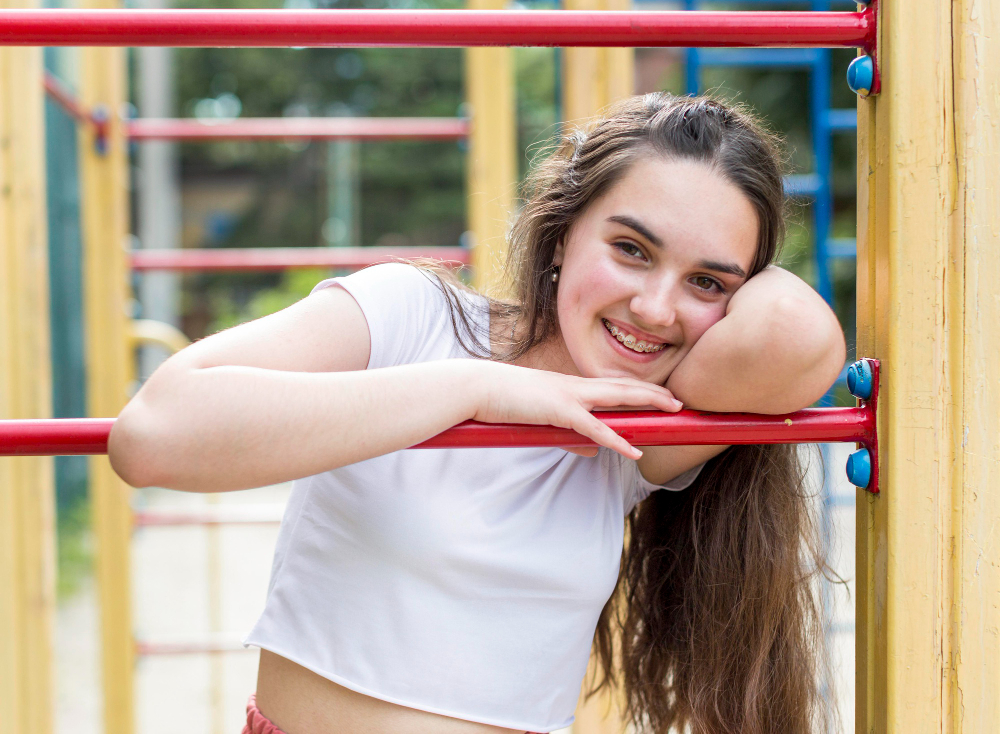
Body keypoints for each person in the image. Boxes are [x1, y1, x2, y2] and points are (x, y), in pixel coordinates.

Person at [109, 93, 846, 734]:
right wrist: (477, 390)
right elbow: (151, 437)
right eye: (631, 249)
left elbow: (801, 336)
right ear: (563, 231)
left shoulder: (636, 426)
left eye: (707, 282)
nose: (655, 308)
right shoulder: (413, 319)